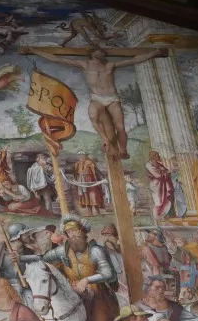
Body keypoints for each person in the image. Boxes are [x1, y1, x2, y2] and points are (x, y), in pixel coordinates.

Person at [23, 46, 167, 158]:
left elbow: (134, 60)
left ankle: (123, 150)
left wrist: (155, 52)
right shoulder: (85, 64)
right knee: (93, 116)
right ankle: (104, 139)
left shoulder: (110, 65)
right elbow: (57, 59)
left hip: (112, 98)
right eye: (100, 51)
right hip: (97, 98)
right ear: (92, 53)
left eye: (104, 52)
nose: (103, 53)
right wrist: (35, 50)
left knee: (120, 126)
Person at [43, 216, 119, 321]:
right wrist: (20, 258)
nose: (73, 235)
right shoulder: (62, 251)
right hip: (71, 290)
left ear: (83, 231)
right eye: (69, 232)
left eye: (75, 230)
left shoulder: (95, 250)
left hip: (96, 291)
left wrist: (86, 280)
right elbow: (43, 258)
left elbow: (107, 273)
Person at [73, 152, 105, 216]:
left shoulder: (90, 163)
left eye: (83, 155)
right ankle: (90, 212)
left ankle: (98, 212)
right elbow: (74, 172)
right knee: (85, 196)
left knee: (93, 195)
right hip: (81, 182)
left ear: (86, 156)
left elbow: (96, 171)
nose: (81, 157)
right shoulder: (77, 164)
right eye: (80, 155)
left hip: (91, 182)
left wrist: (101, 177)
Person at [146, 150, 175, 219]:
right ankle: (161, 216)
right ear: (154, 156)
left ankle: (170, 214)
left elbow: (165, 171)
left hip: (165, 184)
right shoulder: (149, 164)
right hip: (157, 186)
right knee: (159, 202)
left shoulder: (159, 164)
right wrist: (168, 172)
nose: (159, 157)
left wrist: (169, 171)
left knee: (170, 198)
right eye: (158, 155)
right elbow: (157, 175)